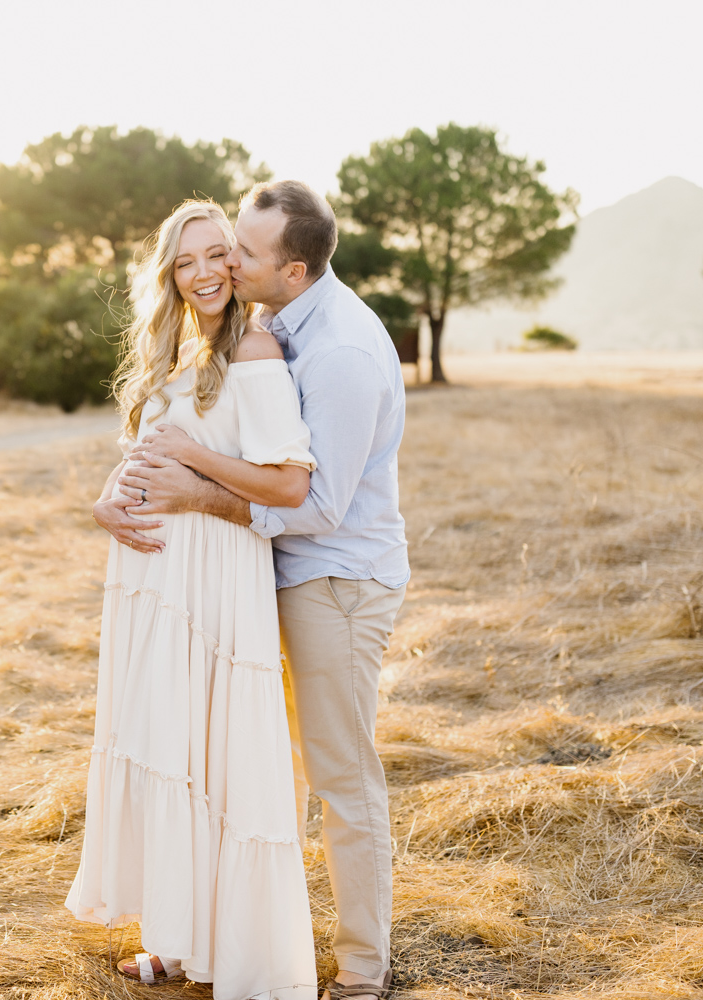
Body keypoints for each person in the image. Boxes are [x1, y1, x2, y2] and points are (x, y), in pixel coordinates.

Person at [107, 180, 409, 1000]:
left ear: (296, 269)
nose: (227, 262)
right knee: (218, 757)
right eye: (215, 247)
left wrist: (198, 489)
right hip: (255, 575)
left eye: (242, 251)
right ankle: (195, 935)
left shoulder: (339, 351)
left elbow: (312, 501)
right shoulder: (270, 320)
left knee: (339, 776)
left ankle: (360, 971)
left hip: (334, 579)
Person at [66, 200, 318, 1000]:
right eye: (187, 260)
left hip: (213, 581)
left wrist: (195, 473)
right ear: (169, 274)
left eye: (219, 255)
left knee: (215, 758)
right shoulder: (178, 348)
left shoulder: (253, 345)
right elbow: (148, 447)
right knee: (170, 752)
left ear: (240, 263)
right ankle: (173, 940)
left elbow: (289, 479)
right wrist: (108, 502)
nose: (206, 271)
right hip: (153, 583)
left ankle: (238, 954)